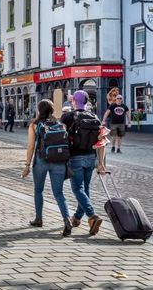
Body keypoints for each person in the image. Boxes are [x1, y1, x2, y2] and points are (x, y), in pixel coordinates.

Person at [22, 99, 72, 236]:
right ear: (52, 110)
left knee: (38, 190)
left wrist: (27, 165)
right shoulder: (60, 124)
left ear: (39, 110)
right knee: (59, 193)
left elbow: (31, 146)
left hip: (41, 161)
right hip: (59, 162)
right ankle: (67, 220)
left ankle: (39, 219)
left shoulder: (34, 125)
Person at [60, 90, 103, 235]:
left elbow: (61, 134)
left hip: (75, 157)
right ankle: (77, 218)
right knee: (85, 189)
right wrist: (101, 162)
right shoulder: (94, 116)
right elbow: (101, 141)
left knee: (78, 189)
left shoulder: (68, 116)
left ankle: (92, 216)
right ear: (86, 102)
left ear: (73, 101)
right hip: (91, 156)